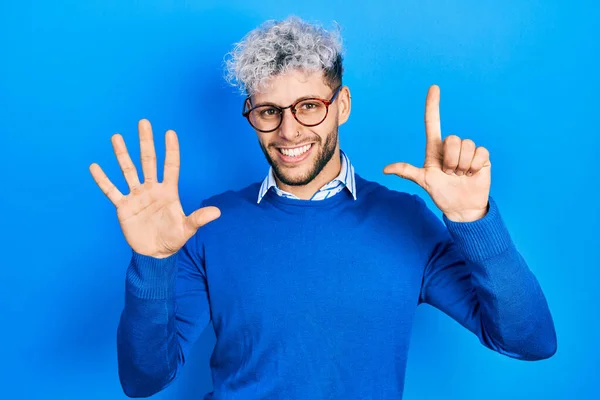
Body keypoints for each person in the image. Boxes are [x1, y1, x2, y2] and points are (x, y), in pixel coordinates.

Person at [89, 16, 557, 400]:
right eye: (269, 111)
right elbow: (144, 379)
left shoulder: (405, 221)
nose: (289, 132)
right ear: (252, 114)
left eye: (308, 105)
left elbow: (529, 341)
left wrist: (476, 224)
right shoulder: (209, 225)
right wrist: (153, 264)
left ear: (342, 104)